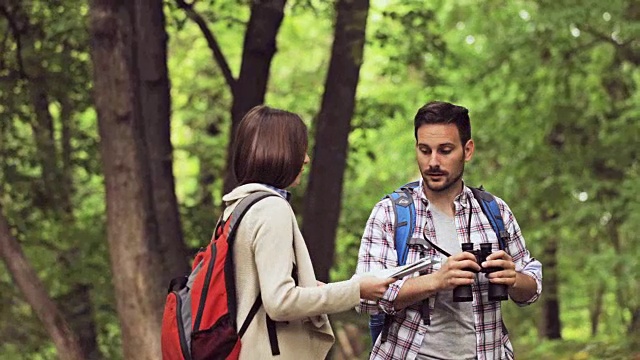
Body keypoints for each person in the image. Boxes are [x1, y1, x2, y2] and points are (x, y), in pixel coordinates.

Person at [355, 101, 543, 360]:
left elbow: (531, 289)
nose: (433, 161)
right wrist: (436, 281)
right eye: (424, 150)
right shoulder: (390, 213)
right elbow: (365, 297)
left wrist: (512, 278)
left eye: (445, 151)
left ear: (467, 150)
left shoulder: (494, 210)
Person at [223, 105, 394, 360]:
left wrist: (309, 286)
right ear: (278, 152)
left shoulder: (238, 206)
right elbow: (280, 302)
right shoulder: (271, 209)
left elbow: (254, 289)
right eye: (299, 150)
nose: (306, 159)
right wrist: (356, 290)